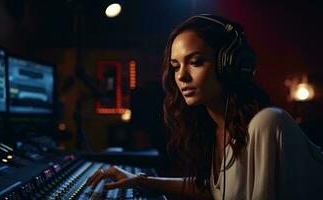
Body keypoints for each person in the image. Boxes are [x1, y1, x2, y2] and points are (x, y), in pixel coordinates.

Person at [86, 14, 323, 200]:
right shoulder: (217, 127)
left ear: (230, 64)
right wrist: (141, 180)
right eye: (176, 66)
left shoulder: (268, 123)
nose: (182, 77)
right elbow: (220, 191)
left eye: (196, 62)